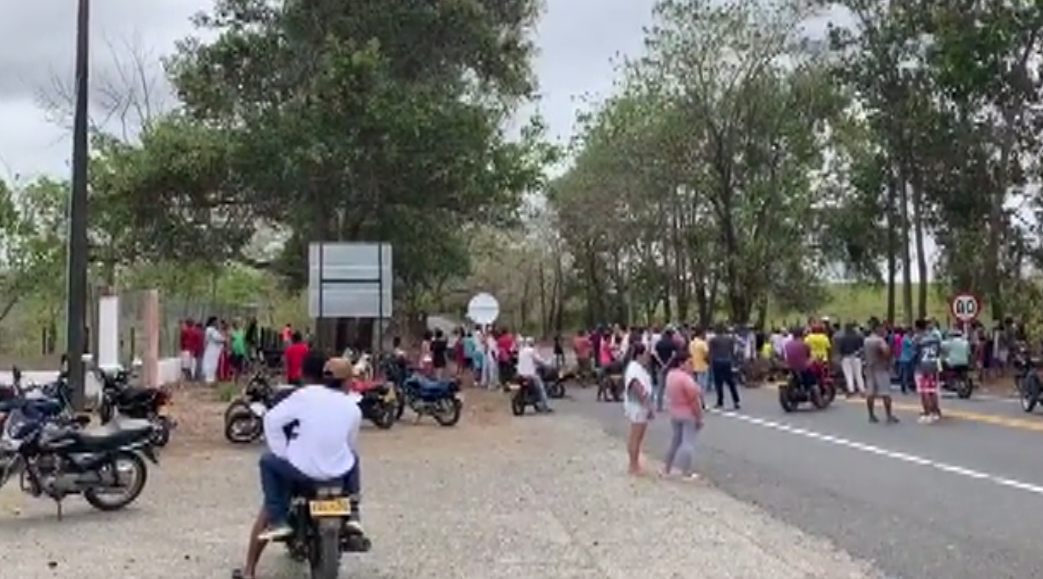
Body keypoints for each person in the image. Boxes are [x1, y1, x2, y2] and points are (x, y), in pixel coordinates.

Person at [233, 353, 363, 579]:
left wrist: (283, 453)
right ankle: (353, 512)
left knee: (267, 463)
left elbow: (271, 420)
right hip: (337, 475)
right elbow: (350, 444)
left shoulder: (301, 397)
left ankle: (268, 538)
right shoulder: (353, 407)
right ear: (346, 381)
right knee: (353, 457)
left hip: (300, 472)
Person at [661, 349, 702, 480]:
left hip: (674, 412)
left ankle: (666, 468)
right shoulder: (686, 380)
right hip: (687, 413)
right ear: (681, 363)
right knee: (687, 442)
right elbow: (694, 401)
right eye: (689, 363)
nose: (692, 366)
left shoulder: (670, 375)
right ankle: (686, 471)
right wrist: (699, 417)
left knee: (675, 441)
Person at [623, 344, 654, 475]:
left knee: (638, 436)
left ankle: (635, 462)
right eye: (645, 354)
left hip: (639, 405)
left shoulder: (638, 368)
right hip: (637, 406)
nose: (647, 357)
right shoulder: (634, 369)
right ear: (639, 355)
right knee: (635, 436)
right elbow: (638, 388)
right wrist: (647, 404)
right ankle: (633, 464)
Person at [864, 321, 898, 423]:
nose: (884, 331)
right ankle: (889, 415)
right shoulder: (880, 341)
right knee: (885, 393)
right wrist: (888, 356)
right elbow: (886, 351)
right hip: (881, 368)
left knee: (870, 393)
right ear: (878, 329)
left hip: (870, 368)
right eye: (883, 329)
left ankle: (871, 415)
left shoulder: (867, 340)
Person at [912, 319, 942, 422]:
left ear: (917, 327)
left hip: (922, 366)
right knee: (932, 390)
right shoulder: (934, 337)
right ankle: (935, 411)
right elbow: (939, 350)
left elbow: (914, 352)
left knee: (923, 391)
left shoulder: (917, 338)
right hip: (933, 365)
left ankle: (927, 412)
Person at [707, 325, 740, 410]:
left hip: (717, 361)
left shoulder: (713, 340)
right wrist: (734, 362)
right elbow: (732, 351)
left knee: (718, 383)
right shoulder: (729, 340)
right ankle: (736, 400)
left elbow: (711, 353)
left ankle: (720, 401)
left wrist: (710, 364)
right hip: (727, 361)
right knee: (730, 382)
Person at [517, 337, 552, 413]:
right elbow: (539, 360)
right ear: (532, 343)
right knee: (541, 389)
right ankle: (546, 406)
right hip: (530, 374)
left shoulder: (521, 351)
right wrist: (547, 364)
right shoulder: (531, 351)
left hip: (520, 374)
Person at [836, 323, 866, 396]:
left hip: (846, 357)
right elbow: (862, 347)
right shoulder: (858, 337)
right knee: (858, 374)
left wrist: (840, 357)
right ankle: (862, 389)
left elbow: (840, 349)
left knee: (848, 374)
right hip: (856, 356)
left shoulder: (843, 338)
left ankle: (851, 389)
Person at [652, 328, 677, 412]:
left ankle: (659, 406)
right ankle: (672, 405)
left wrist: (662, 364)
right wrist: (667, 364)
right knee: (671, 386)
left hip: (660, 367)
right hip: (670, 367)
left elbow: (655, 354)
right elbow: (673, 355)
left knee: (660, 387)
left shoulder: (659, 343)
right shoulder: (672, 344)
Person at [201, 317, 225, 385]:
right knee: (210, 364)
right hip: (211, 349)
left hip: (214, 350)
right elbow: (216, 338)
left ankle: (211, 378)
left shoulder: (214, 330)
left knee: (214, 364)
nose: (217, 323)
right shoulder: (210, 329)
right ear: (212, 322)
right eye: (215, 321)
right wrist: (223, 340)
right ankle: (208, 379)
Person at [688, 326, 710, 398]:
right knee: (702, 386)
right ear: (701, 334)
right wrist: (709, 362)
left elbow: (690, 354)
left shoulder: (691, 343)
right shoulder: (703, 343)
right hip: (703, 366)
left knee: (696, 385)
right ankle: (701, 402)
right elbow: (707, 354)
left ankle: (695, 400)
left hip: (694, 366)